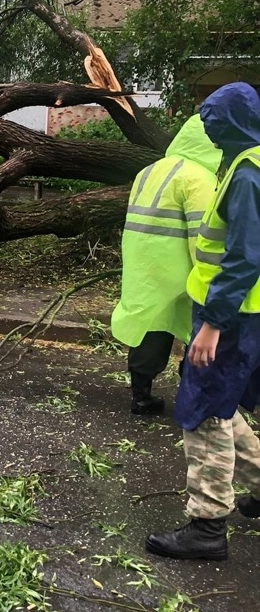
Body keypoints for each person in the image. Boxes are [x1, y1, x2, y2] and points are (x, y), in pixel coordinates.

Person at [146, 82, 260, 561]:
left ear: (231, 122)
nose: (207, 127)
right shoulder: (246, 165)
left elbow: (243, 257)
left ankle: (207, 526)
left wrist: (212, 323)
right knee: (225, 403)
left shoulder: (247, 174)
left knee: (205, 410)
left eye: (213, 118)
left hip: (229, 319)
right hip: (242, 315)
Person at [110, 114, 220, 415]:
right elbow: (203, 237)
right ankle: (192, 395)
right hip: (181, 267)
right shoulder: (200, 178)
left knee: (151, 324)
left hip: (144, 263)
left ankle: (141, 395)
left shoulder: (148, 171)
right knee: (196, 329)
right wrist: (212, 278)